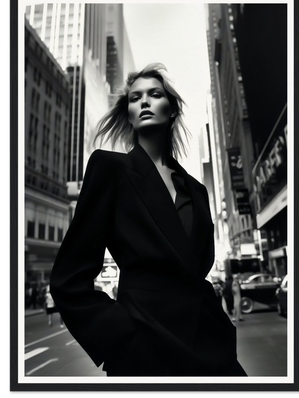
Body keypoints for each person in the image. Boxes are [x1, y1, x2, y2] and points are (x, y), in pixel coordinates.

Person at [50, 63, 246, 377]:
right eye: (135, 97)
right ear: (128, 114)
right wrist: (121, 334)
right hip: (144, 350)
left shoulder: (197, 190)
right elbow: (69, 278)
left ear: (172, 110)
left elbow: (198, 268)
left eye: (155, 94)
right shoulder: (109, 168)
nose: (144, 101)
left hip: (211, 345)